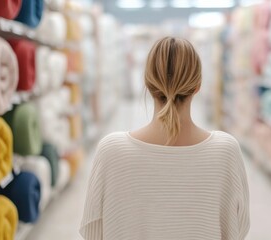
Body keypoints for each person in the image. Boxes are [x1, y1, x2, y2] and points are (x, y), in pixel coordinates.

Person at [80, 37, 250, 240]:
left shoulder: (111, 151)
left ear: (147, 83)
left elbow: (93, 232)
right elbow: (238, 229)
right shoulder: (226, 151)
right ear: (198, 86)